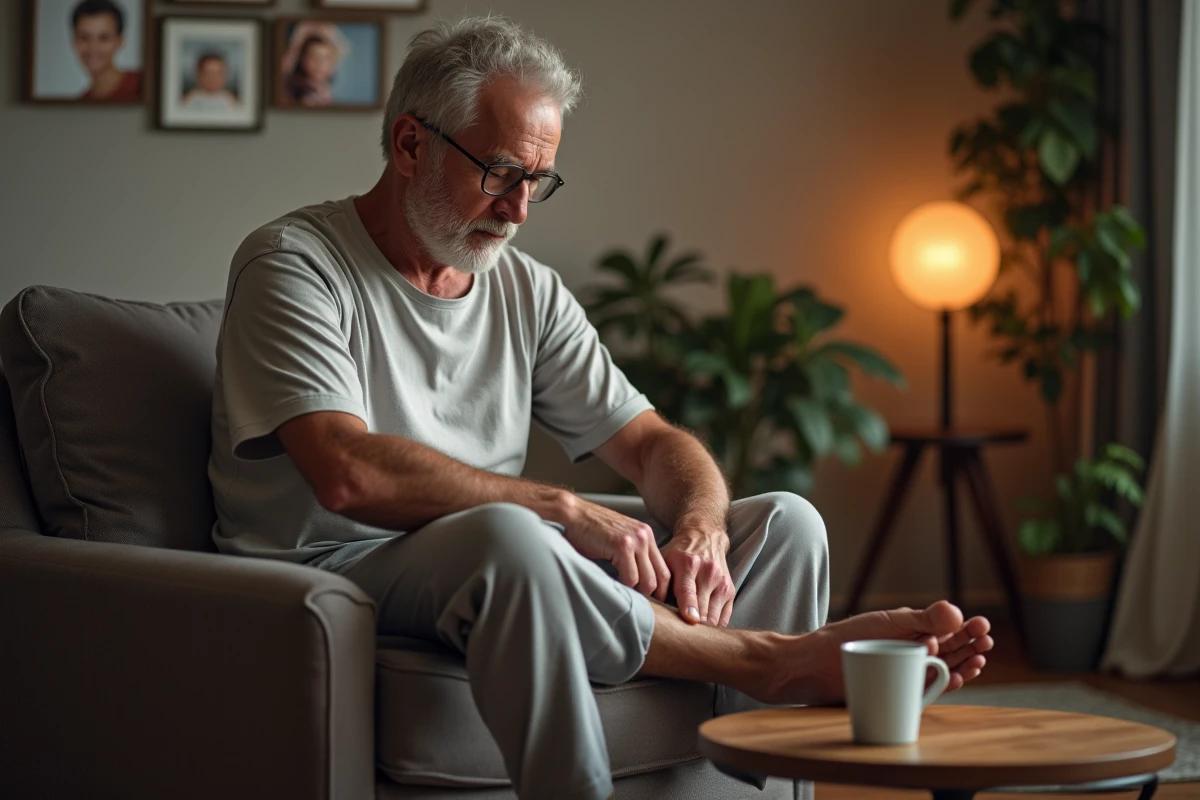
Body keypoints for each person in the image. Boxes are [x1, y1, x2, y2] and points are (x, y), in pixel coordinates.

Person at [209, 16, 993, 800]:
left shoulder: (526, 291)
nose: (518, 211)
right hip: (333, 567)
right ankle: (775, 659)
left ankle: (749, 787)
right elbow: (344, 473)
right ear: (411, 145)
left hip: (494, 558)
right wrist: (562, 509)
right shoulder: (294, 265)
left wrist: (700, 528)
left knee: (786, 522)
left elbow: (652, 442)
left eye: (537, 182)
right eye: (501, 173)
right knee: (516, 535)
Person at [71, 0, 141, 102]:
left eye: (104, 38)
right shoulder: (82, 103)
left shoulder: (142, 85)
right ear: (74, 42)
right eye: (84, 38)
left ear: (119, 42)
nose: (93, 48)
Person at [280, 22, 348, 107]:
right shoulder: (296, 90)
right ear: (302, 60)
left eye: (326, 58)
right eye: (313, 56)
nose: (320, 63)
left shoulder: (325, 91)